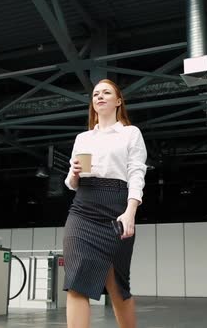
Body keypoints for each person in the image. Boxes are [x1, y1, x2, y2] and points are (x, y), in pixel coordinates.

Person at [63, 79, 147, 328]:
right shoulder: (83, 138)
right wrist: (74, 173)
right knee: (76, 281)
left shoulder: (130, 133)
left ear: (118, 101)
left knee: (117, 286)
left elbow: (136, 173)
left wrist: (130, 211)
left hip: (117, 208)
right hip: (83, 208)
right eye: (95, 94)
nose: (99, 96)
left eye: (106, 92)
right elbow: (71, 182)